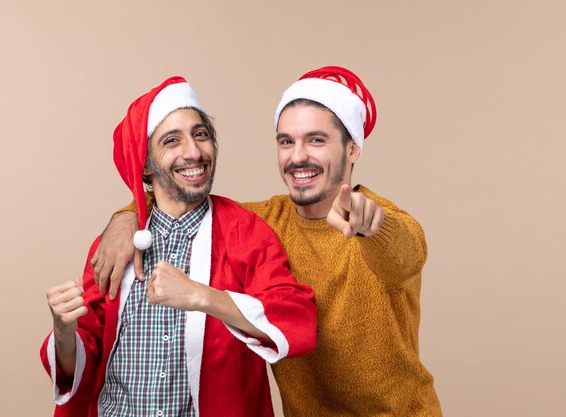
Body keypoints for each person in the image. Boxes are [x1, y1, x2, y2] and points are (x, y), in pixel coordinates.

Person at [93, 66, 442, 416]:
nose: (298, 156)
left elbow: (404, 254)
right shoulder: (261, 222)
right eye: (286, 141)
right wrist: (128, 215)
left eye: (316, 140)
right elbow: (184, 200)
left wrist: (373, 224)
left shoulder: (384, 220)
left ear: (352, 149)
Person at [41, 76, 317, 417]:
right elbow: (85, 356)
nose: (193, 152)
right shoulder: (114, 245)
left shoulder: (245, 232)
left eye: (200, 134)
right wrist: (64, 332)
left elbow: (297, 322)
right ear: (143, 164)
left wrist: (201, 296)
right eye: (172, 141)